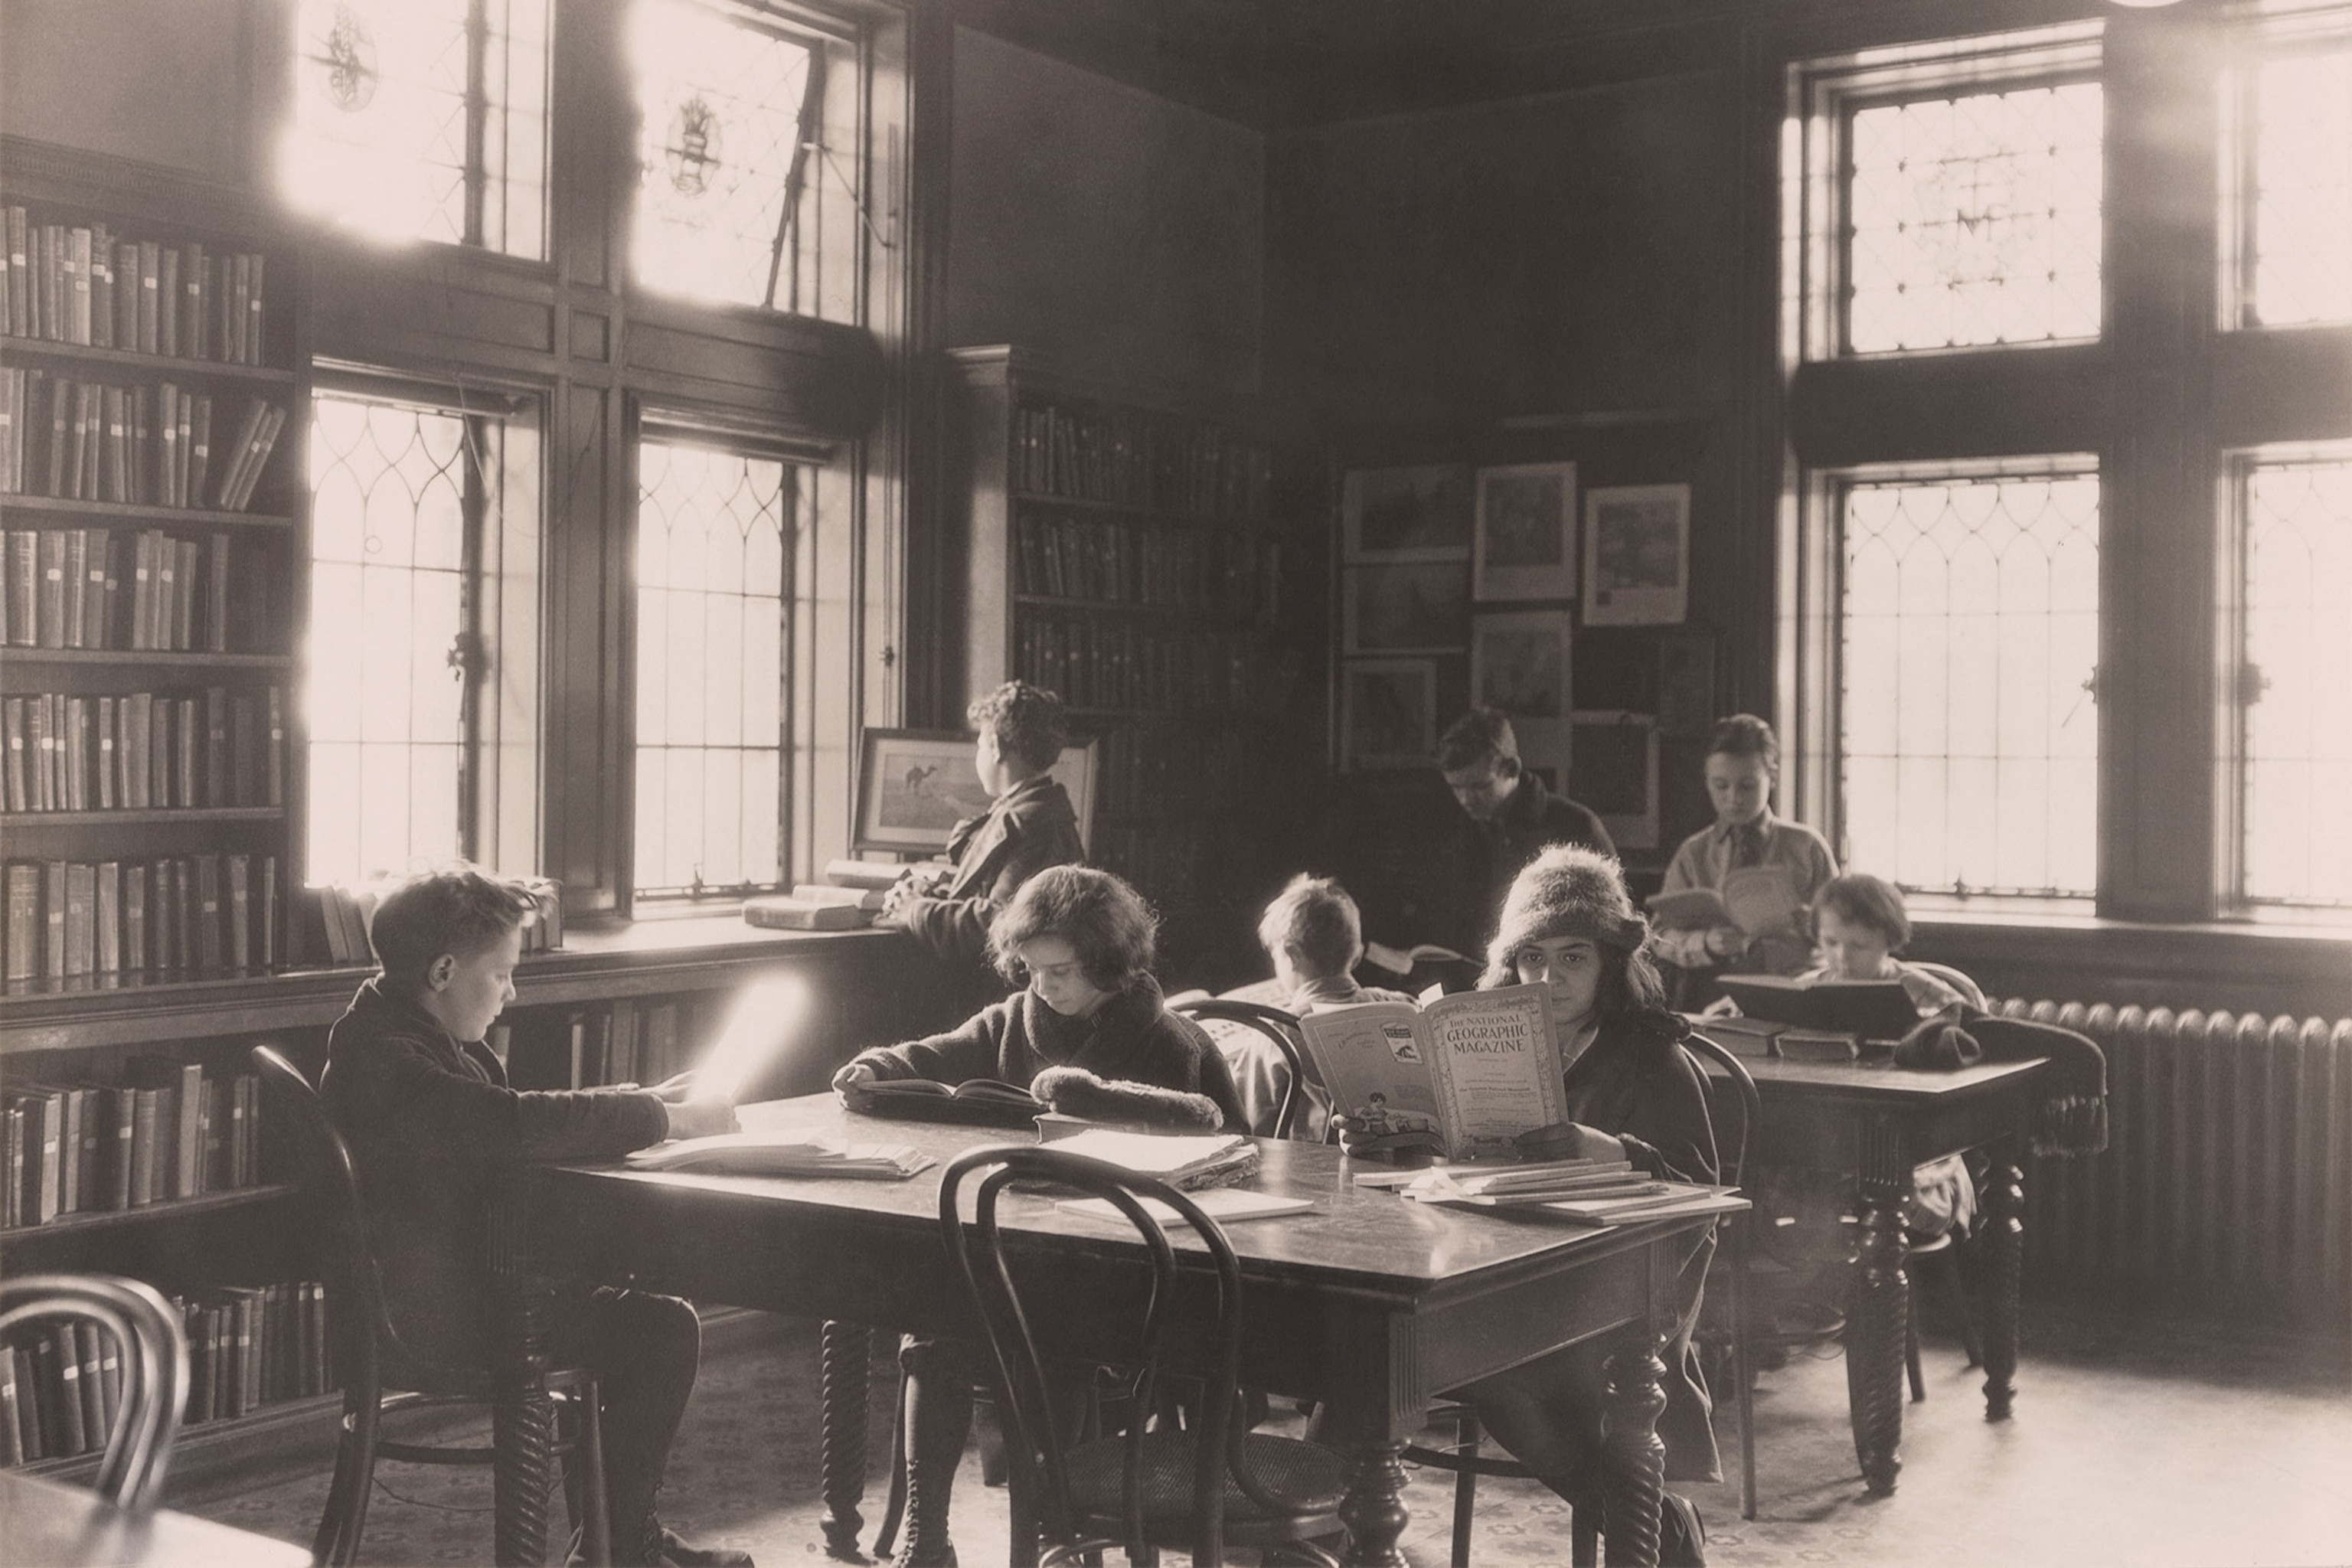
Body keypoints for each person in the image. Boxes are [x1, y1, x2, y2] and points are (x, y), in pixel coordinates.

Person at [320, 865, 750, 1568]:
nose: (511, 993)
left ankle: (615, 1541)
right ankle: (620, 1547)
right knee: (663, 1329)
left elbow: (511, 1120)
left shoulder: (391, 1032)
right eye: (502, 976)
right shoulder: (391, 1061)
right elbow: (512, 1125)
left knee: (639, 1313)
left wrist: (645, 1097)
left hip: (455, 1287)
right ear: (443, 971)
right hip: (442, 1313)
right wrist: (664, 1118)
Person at [831, 865, 1246, 1568]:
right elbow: (934, 1055)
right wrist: (877, 1065)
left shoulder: (1170, 1042)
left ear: (1113, 964)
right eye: (1030, 969)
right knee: (932, 1321)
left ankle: (1058, 1522)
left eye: (1060, 970)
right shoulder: (1013, 1021)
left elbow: (1211, 1171)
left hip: (1128, 1274)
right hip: (1017, 1255)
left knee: (1040, 1336)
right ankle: (926, 1538)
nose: (1042, 986)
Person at [1337, 844, 1718, 1565]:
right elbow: (1443, 1170)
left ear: (1611, 961)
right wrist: (1382, 1133)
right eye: (1532, 958)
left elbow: (1703, 1202)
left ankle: (1659, 1533)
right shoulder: (1479, 1047)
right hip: (1485, 1275)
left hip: (1605, 1300)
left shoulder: (1652, 1058)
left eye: (1573, 958)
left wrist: (1617, 1152)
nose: (1548, 977)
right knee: (1362, 1352)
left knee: (1483, 1368)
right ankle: (1312, 1547)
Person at [880, 681, 1085, 985]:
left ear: (996, 748)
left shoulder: (1036, 823)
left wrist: (915, 910)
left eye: (979, 745)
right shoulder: (1025, 812)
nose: (978, 754)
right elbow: (985, 892)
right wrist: (926, 895)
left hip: (1005, 994)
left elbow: (999, 922)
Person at [1408, 706, 1617, 968]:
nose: (1465, 800)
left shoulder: (1576, 826)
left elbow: (1612, 924)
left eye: (1479, 787)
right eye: (1456, 788)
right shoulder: (1457, 829)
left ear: (1512, 769)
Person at [1651, 714, 1838, 1005]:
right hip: (1711, 995)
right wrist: (1706, 943)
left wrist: (1811, 925)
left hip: (1794, 990)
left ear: (1772, 777)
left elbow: (1844, 930)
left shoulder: (1807, 846)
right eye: (1720, 786)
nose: (1733, 798)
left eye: (1747, 786)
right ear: (1707, 781)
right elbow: (1660, 936)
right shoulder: (1694, 853)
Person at [1209, 873, 1412, 1138]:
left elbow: (1245, 1126)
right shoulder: (1400, 1006)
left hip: (1305, 1175)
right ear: (1358, 954)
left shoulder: (1274, 1033)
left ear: (1291, 957)